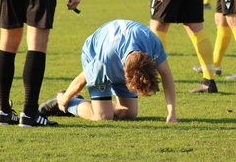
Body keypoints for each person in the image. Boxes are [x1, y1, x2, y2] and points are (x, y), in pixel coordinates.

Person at [39, 20, 176, 122]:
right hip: (94, 53)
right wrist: (65, 100)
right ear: (124, 72)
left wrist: (171, 113)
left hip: (120, 54)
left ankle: (94, 104)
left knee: (129, 114)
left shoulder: (152, 42)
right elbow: (81, 79)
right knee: (103, 116)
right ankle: (66, 101)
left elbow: (166, 75)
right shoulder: (104, 62)